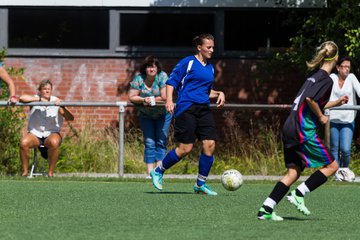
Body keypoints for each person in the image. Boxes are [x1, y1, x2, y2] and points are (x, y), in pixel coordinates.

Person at [257, 41, 349, 221]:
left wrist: (336, 103)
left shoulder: (312, 77)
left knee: (293, 172)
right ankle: (299, 194)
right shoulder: (326, 79)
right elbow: (310, 99)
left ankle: (266, 209)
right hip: (302, 129)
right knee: (332, 166)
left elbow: (311, 100)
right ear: (336, 58)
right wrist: (322, 117)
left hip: (289, 126)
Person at [150, 33, 225, 195]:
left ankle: (200, 184)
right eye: (208, 47)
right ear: (199, 47)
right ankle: (158, 170)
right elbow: (172, 82)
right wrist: (169, 100)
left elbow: (205, 91)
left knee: (210, 144)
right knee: (185, 148)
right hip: (187, 108)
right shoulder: (188, 62)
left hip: (203, 109)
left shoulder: (210, 67)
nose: (212, 50)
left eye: (213, 47)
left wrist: (219, 93)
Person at [19, 79, 74, 177]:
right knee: (24, 143)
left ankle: (50, 173)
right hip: (35, 134)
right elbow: (22, 98)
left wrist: (64, 107)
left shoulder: (56, 101)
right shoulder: (35, 99)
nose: (47, 91)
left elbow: (70, 118)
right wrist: (39, 100)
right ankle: (24, 172)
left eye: (49, 89)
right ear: (40, 91)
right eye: (45, 89)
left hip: (51, 133)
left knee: (54, 142)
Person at [129, 56, 172, 178]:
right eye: (149, 66)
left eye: (153, 66)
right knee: (149, 141)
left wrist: (151, 99)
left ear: (157, 68)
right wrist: (144, 99)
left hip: (163, 114)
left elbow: (164, 97)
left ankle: (159, 171)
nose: (151, 69)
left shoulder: (163, 76)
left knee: (161, 141)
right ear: (145, 69)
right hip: (145, 114)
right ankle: (149, 173)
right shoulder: (139, 78)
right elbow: (132, 97)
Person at [329, 56, 360, 181]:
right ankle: (336, 174)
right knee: (334, 148)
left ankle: (344, 170)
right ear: (338, 67)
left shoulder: (352, 78)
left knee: (346, 149)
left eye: (348, 67)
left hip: (348, 119)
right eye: (344, 66)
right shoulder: (332, 78)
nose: (346, 69)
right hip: (333, 119)